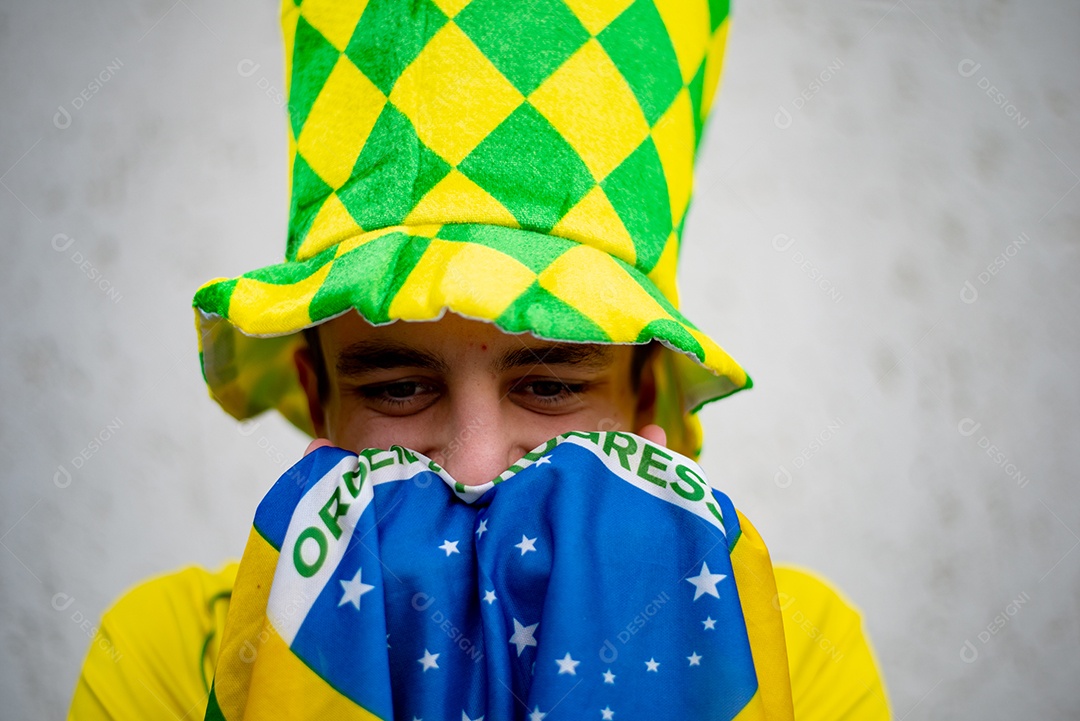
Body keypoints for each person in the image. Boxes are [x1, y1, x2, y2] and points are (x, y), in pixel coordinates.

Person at [69, 0, 891, 718]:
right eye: (396, 386)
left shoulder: (778, 647)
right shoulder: (165, 654)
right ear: (319, 397)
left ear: (646, 393)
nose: (475, 463)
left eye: (549, 385)